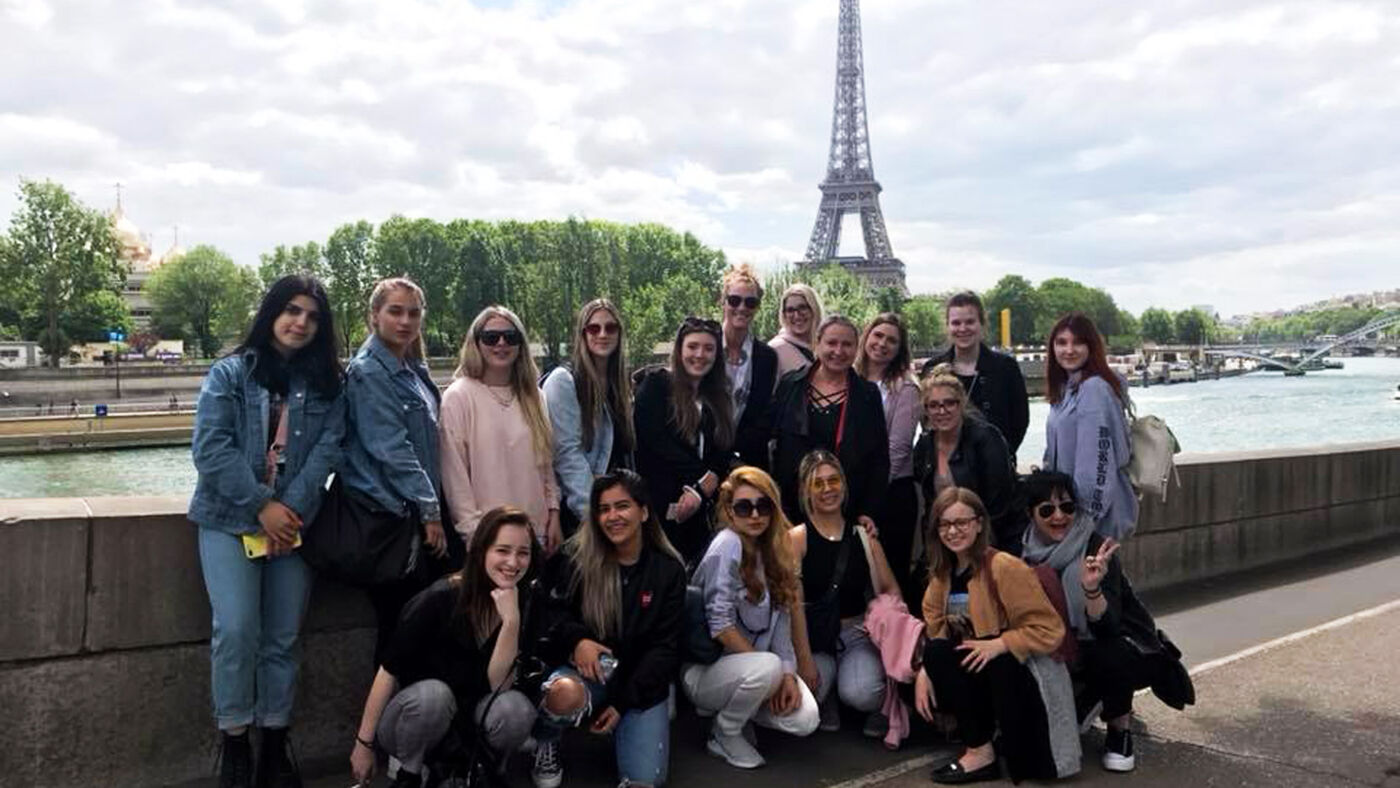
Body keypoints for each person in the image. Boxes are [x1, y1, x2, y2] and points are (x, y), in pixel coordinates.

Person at [188, 274, 345, 788]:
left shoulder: (327, 384)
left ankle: (275, 742)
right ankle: (234, 741)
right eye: (292, 310)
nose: (301, 322)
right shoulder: (230, 373)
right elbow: (210, 450)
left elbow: (328, 450)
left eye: (312, 316)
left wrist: (287, 510)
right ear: (271, 313)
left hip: (294, 525)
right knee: (236, 632)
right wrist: (262, 506)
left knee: (282, 638)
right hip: (229, 521)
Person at [349, 507, 541, 788]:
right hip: (417, 718)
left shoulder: (523, 601)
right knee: (433, 696)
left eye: (523, 552)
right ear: (481, 551)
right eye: (502, 550)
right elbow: (388, 671)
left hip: (472, 721)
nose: (513, 562)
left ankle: (489, 769)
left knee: (516, 710)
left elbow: (500, 684)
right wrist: (363, 744)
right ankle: (409, 774)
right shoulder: (439, 598)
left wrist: (510, 622)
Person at [530, 470, 687, 788]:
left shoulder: (668, 570)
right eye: (603, 509)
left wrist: (622, 703)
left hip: (639, 678)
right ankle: (546, 738)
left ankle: (628, 728)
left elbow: (665, 649)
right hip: (590, 670)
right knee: (563, 695)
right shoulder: (576, 557)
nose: (612, 516)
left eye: (622, 506)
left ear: (643, 512)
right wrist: (578, 640)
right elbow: (547, 614)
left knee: (644, 781)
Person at [1020, 470, 1183, 773]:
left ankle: (1119, 731)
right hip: (1064, 646)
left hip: (1122, 646)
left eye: (1067, 507)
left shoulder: (1095, 548)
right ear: (1031, 514)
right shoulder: (1025, 553)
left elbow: (1109, 626)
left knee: (1110, 650)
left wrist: (1091, 588)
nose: (1059, 516)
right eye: (1047, 509)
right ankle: (1083, 698)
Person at [912, 487, 1067, 784]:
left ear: (979, 523)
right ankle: (979, 751)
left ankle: (1001, 745)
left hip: (1014, 673)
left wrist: (1000, 643)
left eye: (962, 522)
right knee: (936, 656)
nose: (953, 531)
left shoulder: (1004, 567)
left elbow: (1051, 630)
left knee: (998, 664)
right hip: (975, 674)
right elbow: (936, 634)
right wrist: (924, 672)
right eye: (944, 524)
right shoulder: (940, 577)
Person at [340, 277, 450, 665]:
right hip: (394, 521)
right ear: (374, 316)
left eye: (414, 313)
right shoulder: (370, 371)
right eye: (395, 311)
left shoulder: (409, 368)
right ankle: (383, 724)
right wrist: (431, 510)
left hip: (410, 516)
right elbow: (392, 450)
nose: (405, 321)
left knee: (418, 627)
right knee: (400, 630)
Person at [684, 466, 819, 769]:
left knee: (806, 718)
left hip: (752, 671)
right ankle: (725, 731)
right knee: (767, 666)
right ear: (730, 512)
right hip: (705, 672)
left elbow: (783, 629)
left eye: (764, 505)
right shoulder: (727, 543)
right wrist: (767, 672)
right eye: (744, 507)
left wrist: (785, 675)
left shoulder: (776, 550)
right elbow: (720, 625)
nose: (755, 515)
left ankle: (741, 714)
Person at [788, 450, 899, 737]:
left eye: (833, 480)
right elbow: (793, 605)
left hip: (855, 633)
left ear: (844, 484)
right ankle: (828, 697)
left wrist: (888, 628)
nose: (827, 489)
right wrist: (803, 659)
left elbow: (890, 589)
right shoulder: (796, 538)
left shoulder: (863, 535)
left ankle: (881, 702)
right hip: (814, 638)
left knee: (862, 692)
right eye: (818, 483)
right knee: (808, 699)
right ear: (805, 490)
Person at [441, 306, 561, 552]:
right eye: (491, 337)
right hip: (488, 540)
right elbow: (455, 477)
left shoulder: (534, 396)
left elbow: (546, 465)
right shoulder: (459, 396)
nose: (501, 343)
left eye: (511, 336)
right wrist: (474, 535)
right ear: (476, 342)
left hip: (535, 535)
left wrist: (554, 513)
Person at [631, 317, 735, 567]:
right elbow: (656, 443)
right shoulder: (656, 386)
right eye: (693, 346)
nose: (700, 354)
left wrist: (703, 489)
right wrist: (702, 479)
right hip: (660, 509)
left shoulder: (718, 397)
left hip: (702, 515)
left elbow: (723, 450)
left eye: (709, 348)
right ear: (679, 349)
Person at [770, 315, 889, 528]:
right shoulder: (791, 385)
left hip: (847, 508)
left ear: (856, 348)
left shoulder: (868, 395)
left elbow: (879, 458)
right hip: (792, 508)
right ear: (817, 343)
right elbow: (774, 444)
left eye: (847, 345)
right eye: (832, 343)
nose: (839, 351)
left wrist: (868, 511)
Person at [541, 299, 635, 537]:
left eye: (610, 328)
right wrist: (594, 516)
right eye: (594, 328)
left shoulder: (619, 385)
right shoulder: (564, 380)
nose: (602, 334)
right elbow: (567, 455)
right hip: (584, 514)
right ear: (582, 334)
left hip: (616, 509)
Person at [1043, 312, 1137, 541]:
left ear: (1091, 347)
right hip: (1069, 514)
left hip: (1092, 522)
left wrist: (1083, 520)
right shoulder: (1067, 390)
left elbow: (1096, 465)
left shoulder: (1093, 389)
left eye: (1078, 342)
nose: (1069, 350)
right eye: (1062, 343)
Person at [912, 365, 1022, 554]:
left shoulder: (986, 439)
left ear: (961, 404)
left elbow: (999, 506)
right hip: (946, 539)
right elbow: (930, 505)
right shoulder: (924, 446)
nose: (942, 411)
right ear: (926, 410)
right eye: (934, 405)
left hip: (988, 540)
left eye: (949, 403)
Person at [854, 313, 922, 597]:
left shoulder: (905, 387)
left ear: (900, 349)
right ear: (866, 336)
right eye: (878, 335)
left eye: (891, 340)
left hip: (891, 494)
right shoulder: (849, 378)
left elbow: (899, 447)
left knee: (891, 573)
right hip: (853, 492)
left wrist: (871, 495)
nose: (882, 344)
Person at [919, 291, 1029, 461]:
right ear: (947, 327)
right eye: (956, 323)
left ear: (982, 325)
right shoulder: (932, 368)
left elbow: (1020, 420)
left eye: (970, 322)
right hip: (947, 467)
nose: (963, 329)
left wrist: (1001, 455)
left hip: (995, 467)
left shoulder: (1006, 367)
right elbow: (926, 419)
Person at [720, 263, 779, 469]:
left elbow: (762, 413)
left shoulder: (767, 357)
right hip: (704, 457)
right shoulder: (704, 348)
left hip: (748, 459)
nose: (742, 308)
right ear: (723, 302)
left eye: (750, 302)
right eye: (735, 300)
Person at [768, 283, 824, 377]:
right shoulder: (775, 350)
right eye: (790, 310)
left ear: (814, 309)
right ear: (784, 315)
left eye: (802, 308)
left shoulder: (827, 346)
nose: (797, 315)